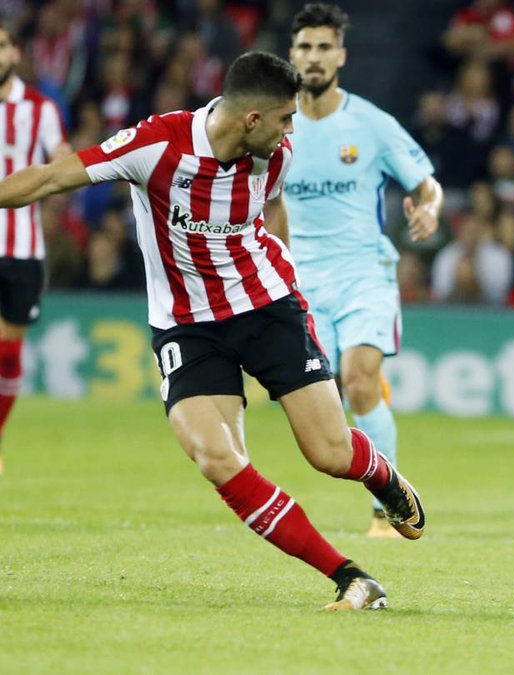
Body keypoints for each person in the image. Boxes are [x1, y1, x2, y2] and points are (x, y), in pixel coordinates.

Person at [0, 52, 426, 611]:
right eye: (285, 119)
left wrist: (288, 274)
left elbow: (272, 211)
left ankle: (383, 478)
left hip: (266, 308)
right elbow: (51, 177)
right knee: (217, 458)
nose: (291, 131)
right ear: (252, 119)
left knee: (329, 453)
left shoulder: (275, 155)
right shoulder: (157, 144)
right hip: (185, 327)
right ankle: (352, 578)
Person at [286, 3, 444, 538]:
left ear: (341, 55)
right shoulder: (276, 126)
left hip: (363, 272)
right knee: (326, 399)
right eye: (305, 47)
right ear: (292, 54)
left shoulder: (371, 124)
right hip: (300, 280)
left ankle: (388, 511)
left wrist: (429, 210)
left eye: (323, 47)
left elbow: (426, 183)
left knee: (358, 381)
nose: (314, 57)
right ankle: (375, 422)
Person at [0, 24, 71, 476]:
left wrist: (64, 160)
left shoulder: (41, 109)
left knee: (8, 352)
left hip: (22, 248)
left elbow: (60, 157)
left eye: (1, 45)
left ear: (15, 52)